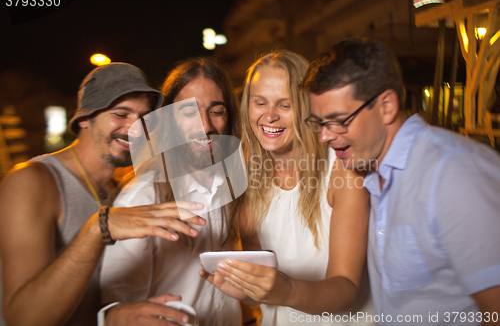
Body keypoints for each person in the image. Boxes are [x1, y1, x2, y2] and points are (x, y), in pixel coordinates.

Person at [301, 38, 500, 325]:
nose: (324, 136)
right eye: (319, 123)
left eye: (339, 120)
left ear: (386, 106)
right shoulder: (371, 173)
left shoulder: (453, 172)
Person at [0, 63, 204, 326]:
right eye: (121, 113)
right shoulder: (32, 181)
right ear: (84, 118)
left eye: (144, 118)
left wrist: (113, 316)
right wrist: (99, 228)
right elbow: (23, 318)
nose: (135, 128)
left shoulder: (122, 190)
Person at [201, 51, 375, 325]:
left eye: (285, 105)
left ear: (308, 108)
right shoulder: (246, 180)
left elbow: (347, 288)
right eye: (260, 103)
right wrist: (246, 289)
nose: (269, 116)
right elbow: (265, 287)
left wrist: (287, 290)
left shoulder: (344, 169)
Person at [99, 58, 248, 326]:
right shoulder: (142, 199)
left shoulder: (232, 186)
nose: (205, 126)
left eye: (216, 111)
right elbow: (121, 308)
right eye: (188, 112)